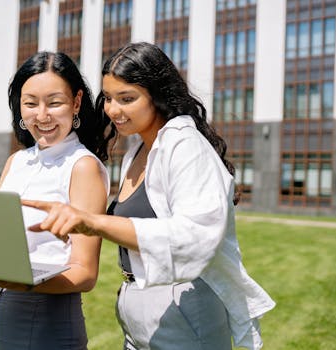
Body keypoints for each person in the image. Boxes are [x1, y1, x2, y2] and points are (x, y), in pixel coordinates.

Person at [23, 42, 276, 350]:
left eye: (127, 98)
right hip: (138, 309)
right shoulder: (137, 149)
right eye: (108, 98)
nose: (113, 110)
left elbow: (195, 234)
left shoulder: (184, 145)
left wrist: (94, 223)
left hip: (183, 305)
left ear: (157, 94)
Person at [0, 51, 112, 350]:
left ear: (77, 102)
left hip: (48, 321)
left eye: (54, 102)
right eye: (30, 103)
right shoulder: (16, 162)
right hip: (6, 312)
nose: (41, 116)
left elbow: (84, 273)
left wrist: (13, 281)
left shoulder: (82, 166)